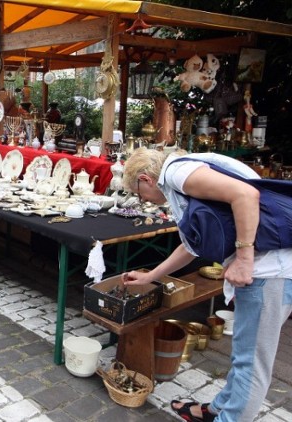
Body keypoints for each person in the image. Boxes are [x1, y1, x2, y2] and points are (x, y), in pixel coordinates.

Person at [121, 147, 292, 422]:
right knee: (243, 355)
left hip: (270, 271)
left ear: (146, 179)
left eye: (140, 195)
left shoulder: (177, 173)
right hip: (267, 269)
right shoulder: (182, 178)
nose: (146, 202)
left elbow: (246, 195)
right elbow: (191, 246)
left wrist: (245, 260)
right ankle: (217, 410)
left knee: (252, 366)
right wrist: (151, 276)